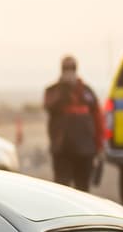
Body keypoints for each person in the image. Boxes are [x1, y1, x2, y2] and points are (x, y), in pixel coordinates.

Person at [43, 55, 105, 191]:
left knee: (83, 189)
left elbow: (98, 118)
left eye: (72, 67)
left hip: (85, 150)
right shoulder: (53, 91)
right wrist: (64, 89)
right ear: (61, 69)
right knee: (62, 189)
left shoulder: (87, 91)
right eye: (66, 68)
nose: (69, 71)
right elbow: (50, 106)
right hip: (62, 150)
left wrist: (100, 145)